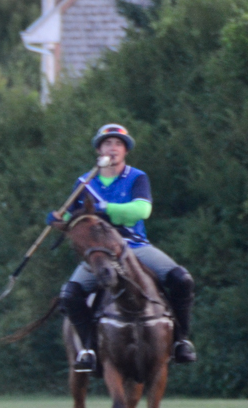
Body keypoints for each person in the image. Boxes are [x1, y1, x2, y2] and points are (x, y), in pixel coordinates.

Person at [54, 123, 197, 372]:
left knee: (182, 279)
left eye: (118, 144)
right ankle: (89, 349)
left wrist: (103, 209)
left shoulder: (136, 177)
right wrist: (59, 221)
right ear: (99, 150)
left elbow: (141, 211)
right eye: (107, 143)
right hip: (98, 252)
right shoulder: (83, 183)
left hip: (134, 247)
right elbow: (75, 219)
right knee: (70, 295)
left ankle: (181, 341)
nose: (113, 147)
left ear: (125, 151)